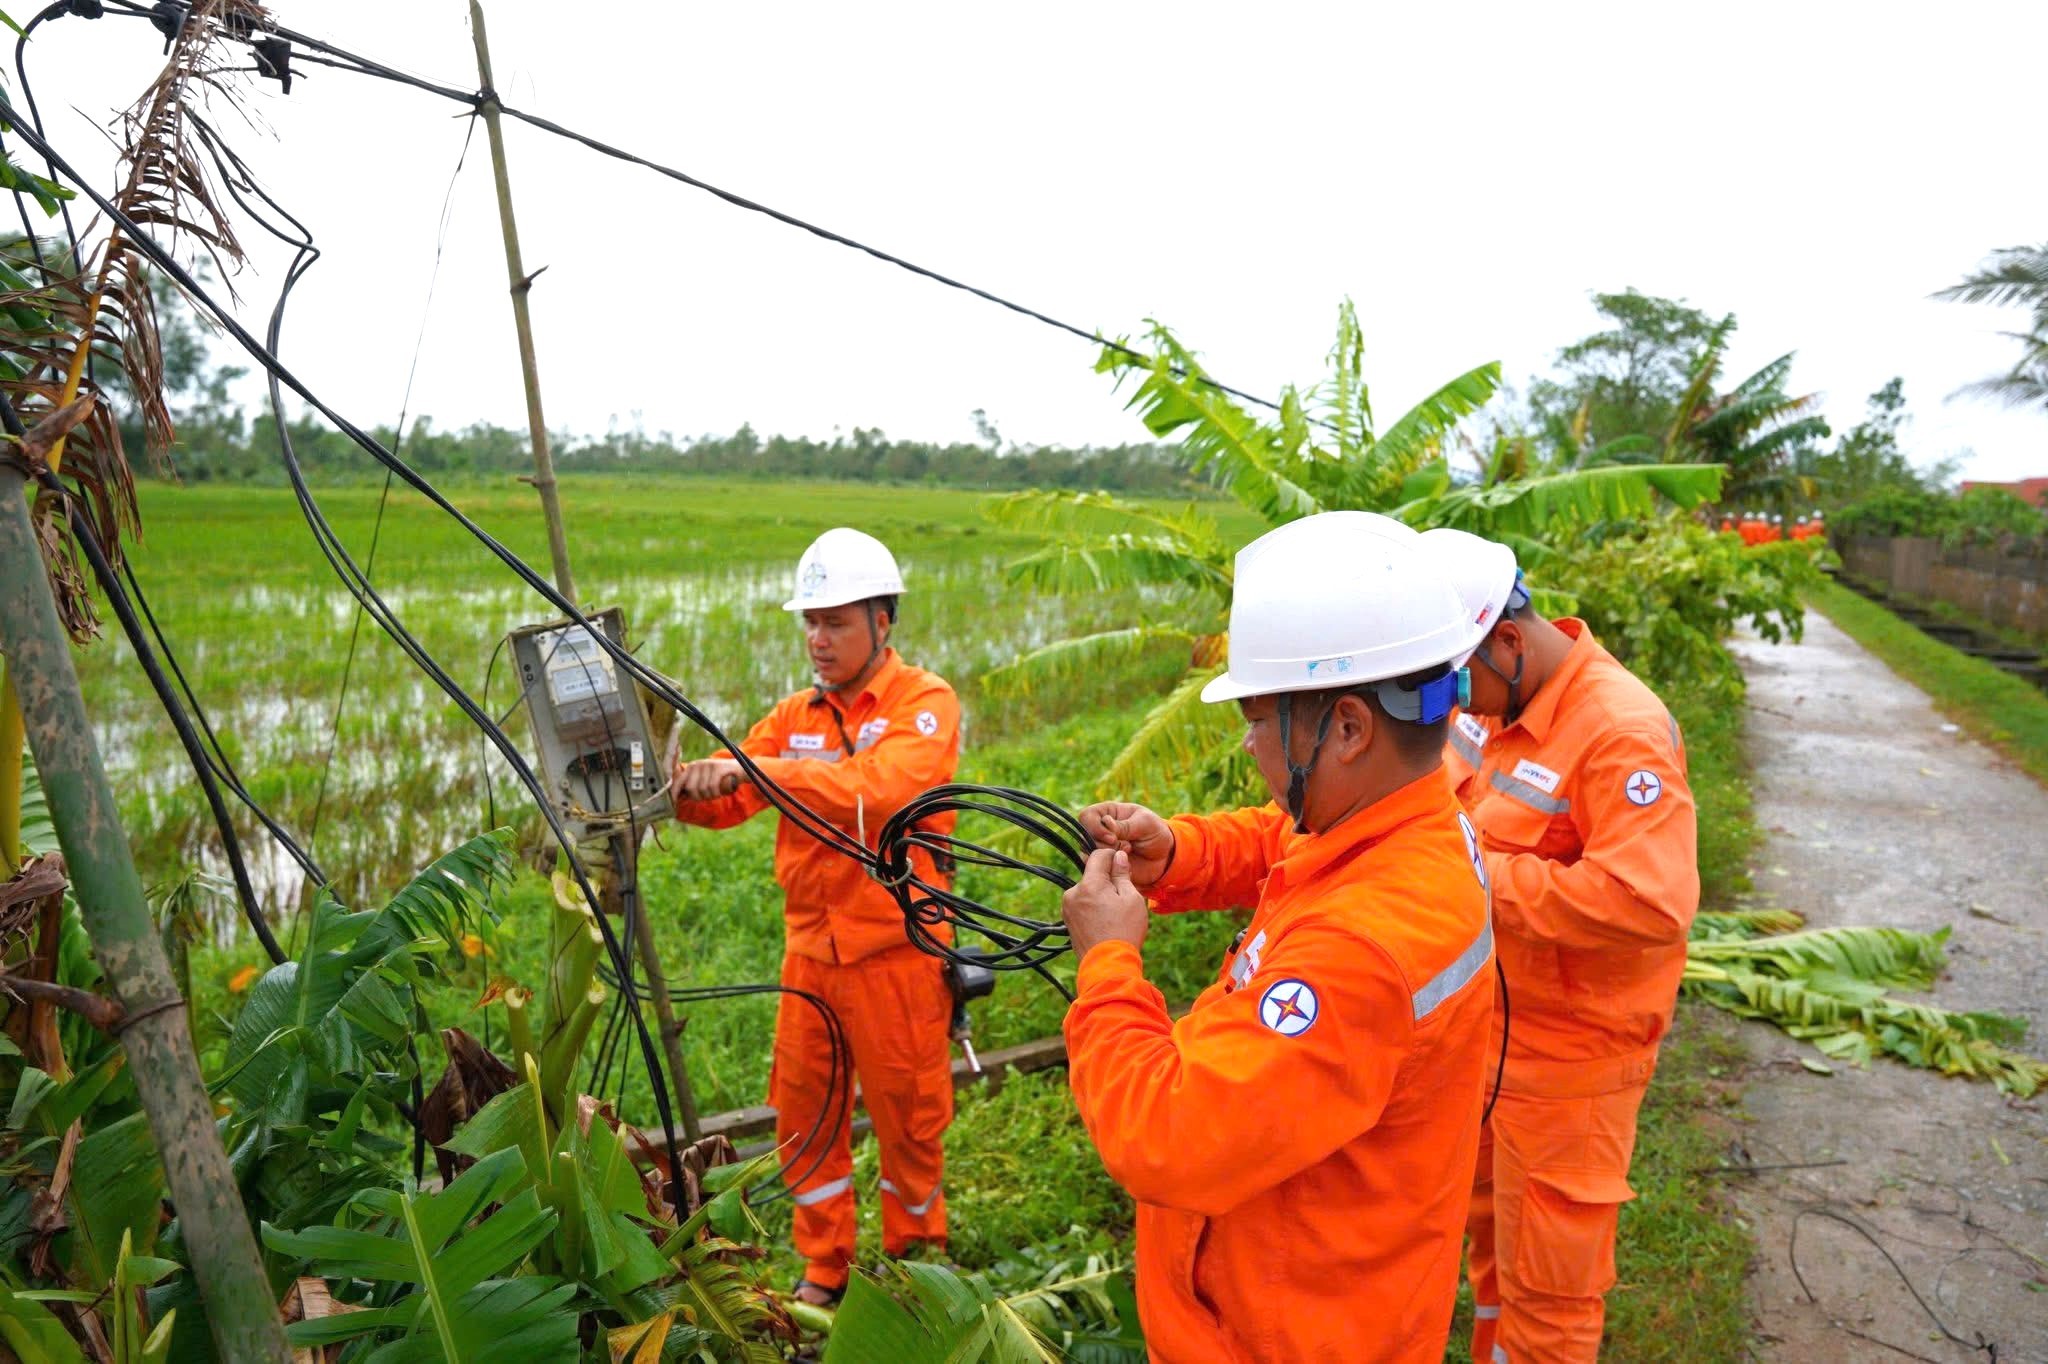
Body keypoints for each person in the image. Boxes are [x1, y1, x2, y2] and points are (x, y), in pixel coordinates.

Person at [1059, 511, 1497, 1363]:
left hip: (1293, 1331)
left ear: (1346, 728)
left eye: (1259, 719)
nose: (1252, 744)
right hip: (1327, 1282)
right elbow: (1280, 838)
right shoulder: (1406, 810)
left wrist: (1109, 963)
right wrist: (1176, 851)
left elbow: (1167, 1137)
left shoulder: (1360, 948)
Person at [1424, 528, 1699, 1363]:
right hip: (1488, 1035)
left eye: (1458, 676)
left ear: (1508, 639)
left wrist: (1474, 884)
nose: (1453, 702)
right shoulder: (1488, 708)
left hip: (1573, 1064)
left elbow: (1648, 899)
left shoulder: (1620, 733)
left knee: (1549, 1294)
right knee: (1490, 1257)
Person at [671, 527, 961, 1306]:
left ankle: (915, 1272)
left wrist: (756, 770)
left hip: (897, 954)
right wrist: (685, 786)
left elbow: (883, 791)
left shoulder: (923, 704)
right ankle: (825, 1272)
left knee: (909, 1122)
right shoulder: (792, 716)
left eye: (835, 621)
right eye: (810, 621)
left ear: (882, 621)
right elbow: (732, 799)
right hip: (810, 958)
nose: (817, 638)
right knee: (807, 1123)